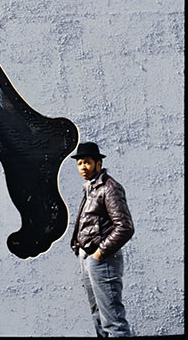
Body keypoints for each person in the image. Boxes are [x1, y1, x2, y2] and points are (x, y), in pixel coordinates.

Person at [70, 142, 134, 337]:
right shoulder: (91, 188)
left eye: (87, 162)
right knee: (98, 318)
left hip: (102, 259)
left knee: (113, 321)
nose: (83, 167)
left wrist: (99, 253)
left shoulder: (110, 188)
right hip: (88, 257)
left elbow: (125, 227)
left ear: (98, 164)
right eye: (80, 163)